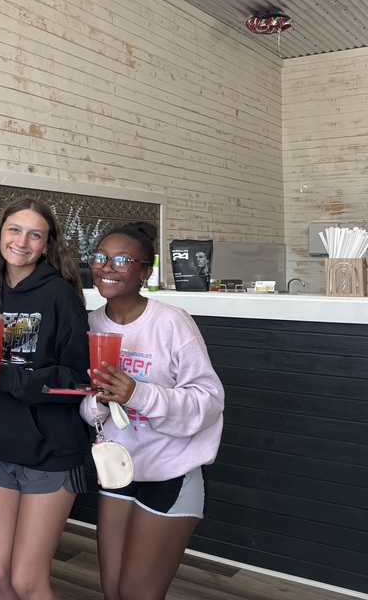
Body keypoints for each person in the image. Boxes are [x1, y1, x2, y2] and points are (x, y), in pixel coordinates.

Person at [84, 221, 225, 600]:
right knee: (112, 589)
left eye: (122, 260)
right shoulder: (90, 325)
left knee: (137, 591)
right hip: (118, 469)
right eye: (101, 257)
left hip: (170, 471)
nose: (108, 267)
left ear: (145, 271)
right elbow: (87, 407)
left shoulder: (172, 322)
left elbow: (209, 400)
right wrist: (94, 401)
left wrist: (137, 394)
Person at [0, 196, 90, 600]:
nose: (22, 241)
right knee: (0, 573)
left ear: (47, 243)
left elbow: (77, 380)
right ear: (0, 233)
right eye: (14, 229)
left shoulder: (59, 295)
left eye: (35, 234)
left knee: (27, 580)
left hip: (50, 454)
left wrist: (10, 378)